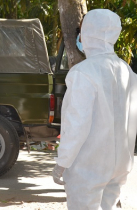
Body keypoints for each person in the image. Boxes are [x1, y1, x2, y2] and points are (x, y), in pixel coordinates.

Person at [52, 9, 137, 209]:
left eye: (81, 30)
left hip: (88, 166)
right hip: (120, 165)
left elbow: (77, 124)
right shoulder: (128, 71)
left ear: (90, 32)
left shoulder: (83, 72)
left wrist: (62, 162)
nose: (79, 36)